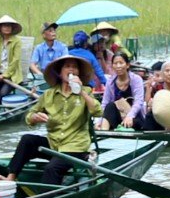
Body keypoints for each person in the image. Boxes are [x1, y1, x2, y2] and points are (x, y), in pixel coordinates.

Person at [6, 52, 105, 183]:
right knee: (27, 140)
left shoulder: (86, 91)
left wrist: (80, 91)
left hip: (75, 147)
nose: (71, 70)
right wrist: (34, 117)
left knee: (52, 168)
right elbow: (29, 115)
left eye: (75, 67)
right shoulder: (49, 94)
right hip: (54, 144)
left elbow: (98, 112)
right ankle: (10, 178)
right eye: (67, 66)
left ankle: (46, 195)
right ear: (60, 72)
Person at [0, 15, 30, 108]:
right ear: (0, 28)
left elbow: (15, 60)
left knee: (2, 93)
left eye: (9, 26)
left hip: (12, 75)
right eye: (5, 26)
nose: (7, 28)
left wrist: (5, 75)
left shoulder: (16, 41)